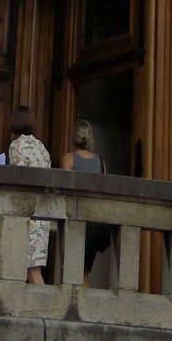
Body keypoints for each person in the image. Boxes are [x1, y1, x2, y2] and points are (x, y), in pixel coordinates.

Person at [60, 118, 111, 283]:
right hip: (94, 223)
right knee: (84, 273)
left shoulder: (68, 159)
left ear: (73, 137)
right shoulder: (100, 162)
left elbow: (64, 190)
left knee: (72, 271)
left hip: (75, 220)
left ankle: (77, 308)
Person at [7, 104, 52, 281]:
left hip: (26, 213)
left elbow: (16, 178)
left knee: (28, 271)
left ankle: (42, 308)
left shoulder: (16, 145)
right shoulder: (41, 146)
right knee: (34, 269)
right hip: (42, 212)